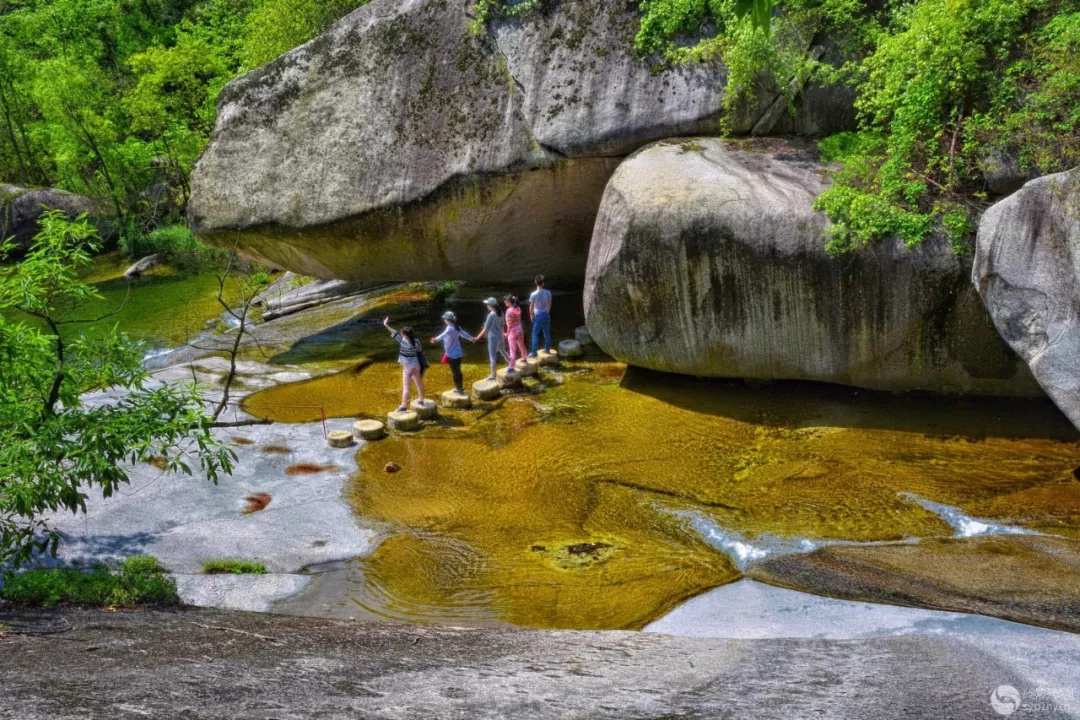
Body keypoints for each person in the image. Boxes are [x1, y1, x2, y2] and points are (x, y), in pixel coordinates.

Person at [383, 317, 425, 412]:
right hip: (416, 365)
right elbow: (420, 351)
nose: (400, 334)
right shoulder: (416, 341)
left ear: (405, 334)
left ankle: (403, 406)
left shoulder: (403, 342)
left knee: (406, 388)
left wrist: (385, 324)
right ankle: (421, 400)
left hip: (407, 368)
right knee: (418, 383)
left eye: (402, 333)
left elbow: (393, 332)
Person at [431, 311, 473, 394]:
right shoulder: (457, 326)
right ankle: (460, 388)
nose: (444, 320)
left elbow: (443, 335)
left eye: (444, 318)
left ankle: (458, 389)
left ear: (447, 319)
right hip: (459, 353)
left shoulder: (449, 328)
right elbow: (464, 334)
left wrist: (435, 339)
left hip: (451, 354)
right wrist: (472, 338)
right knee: (459, 371)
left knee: (455, 373)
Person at [473, 297, 505, 381]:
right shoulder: (501, 312)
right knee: (503, 352)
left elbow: (485, 329)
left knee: (492, 357)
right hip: (501, 336)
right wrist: (503, 333)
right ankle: (511, 365)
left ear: (490, 305)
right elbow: (502, 325)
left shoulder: (490, 315)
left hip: (493, 338)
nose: (486, 305)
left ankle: (493, 375)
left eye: (487, 304)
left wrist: (477, 337)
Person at [528, 274, 553, 357]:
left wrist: (531, 315)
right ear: (543, 283)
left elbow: (531, 306)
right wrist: (547, 312)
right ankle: (547, 349)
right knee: (546, 332)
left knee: (535, 334)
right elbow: (549, 303)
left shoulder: (533, 294)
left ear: (535, 282)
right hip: (546, 314)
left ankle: (534, 352)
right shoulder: (548, 292)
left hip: (538, 316)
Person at [503, 294, 527, 369]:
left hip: (512, 333)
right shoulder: (518, 308)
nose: (504, 302)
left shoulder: (509, 311)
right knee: (521, 345)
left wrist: (507, 333)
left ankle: (511, 366)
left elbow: (509, 325)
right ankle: (524, 358)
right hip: (520, 330)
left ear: (509, 302)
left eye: (505, 301)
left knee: (512, 349)